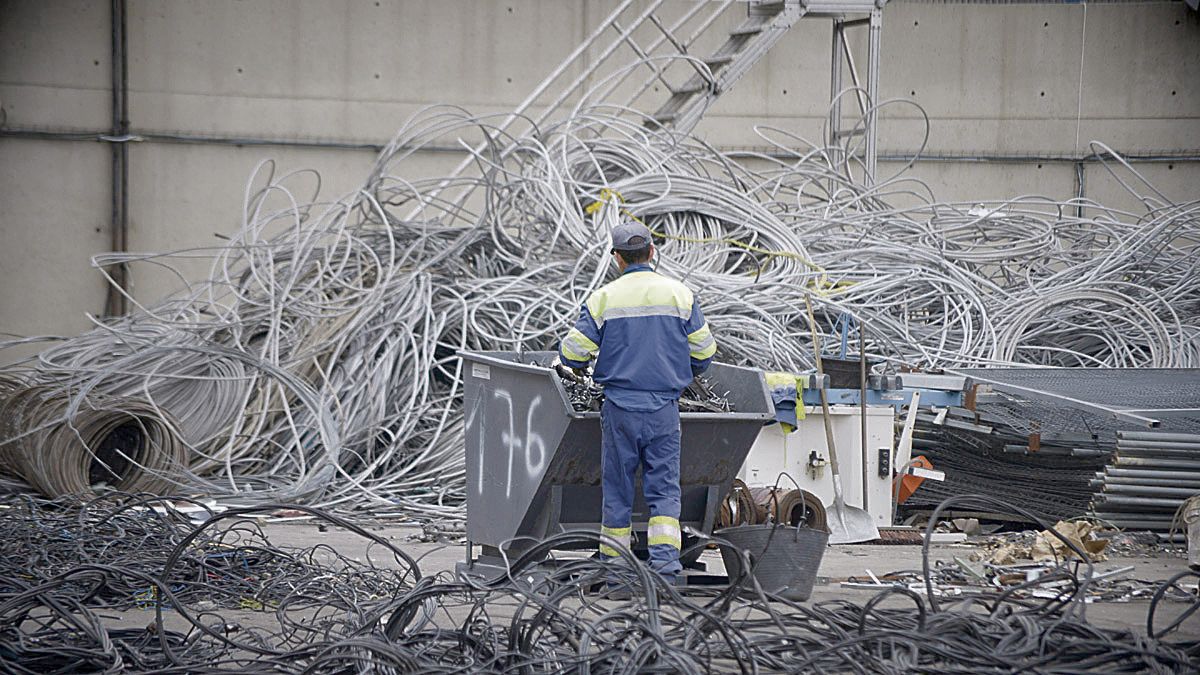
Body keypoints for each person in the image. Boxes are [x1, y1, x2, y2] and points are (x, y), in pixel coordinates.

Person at [557, 220, 717, 581]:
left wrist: (583, 364)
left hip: (620, 408)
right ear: (652, 252)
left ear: (617, 258)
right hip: (663, 408)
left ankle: (614, 566)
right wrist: (678, 369)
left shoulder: (604, 299)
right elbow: (705, 354)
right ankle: (665, 567)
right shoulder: (680, 296)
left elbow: (571, 354)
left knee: (617, 488)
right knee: (663, 490)